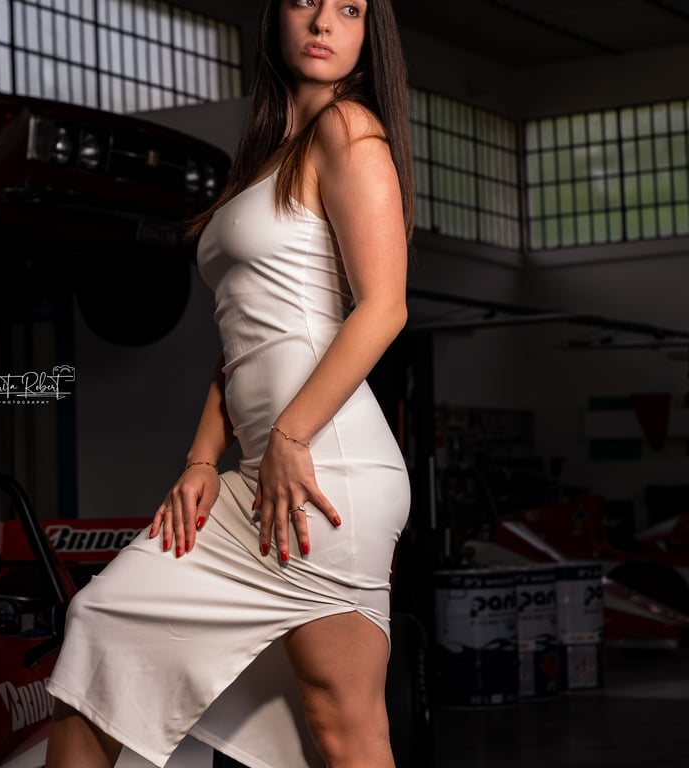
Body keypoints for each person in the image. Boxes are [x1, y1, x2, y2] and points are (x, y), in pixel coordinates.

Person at [44, 0, 415, 766]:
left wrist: (289, 436)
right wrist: (201, 459)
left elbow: (384, 307)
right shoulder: (270, 155)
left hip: (325, 471)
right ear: (276, 16)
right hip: (260, 471)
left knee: (342, 731)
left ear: (367, 34)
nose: (324, 21)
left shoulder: (349, 130)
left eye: (349, 9)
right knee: (98, 635)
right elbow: (243, 344)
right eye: (306, 1)